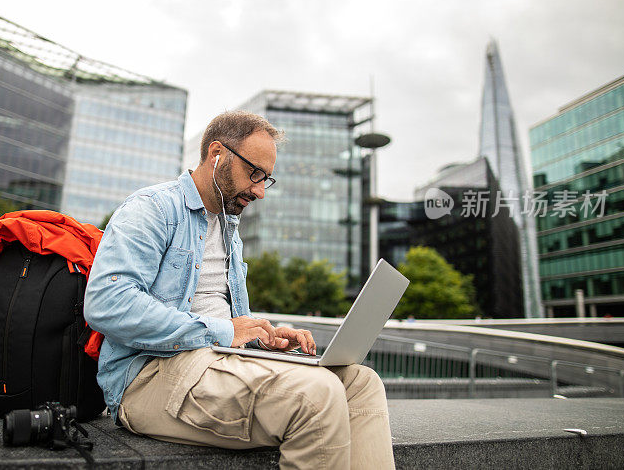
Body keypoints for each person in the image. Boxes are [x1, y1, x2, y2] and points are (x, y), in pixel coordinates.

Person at [84, 110, 395, 469]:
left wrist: (263, 337)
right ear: (217, 154)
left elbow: (226, 319)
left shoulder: (229, 229)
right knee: (317, 396)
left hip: (218, 362)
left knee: (360, 382)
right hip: (149, 376)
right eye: (255, 174)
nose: (261, 191)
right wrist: (224, 331)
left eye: (267, 179)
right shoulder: (152, 208)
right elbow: (108, 303)